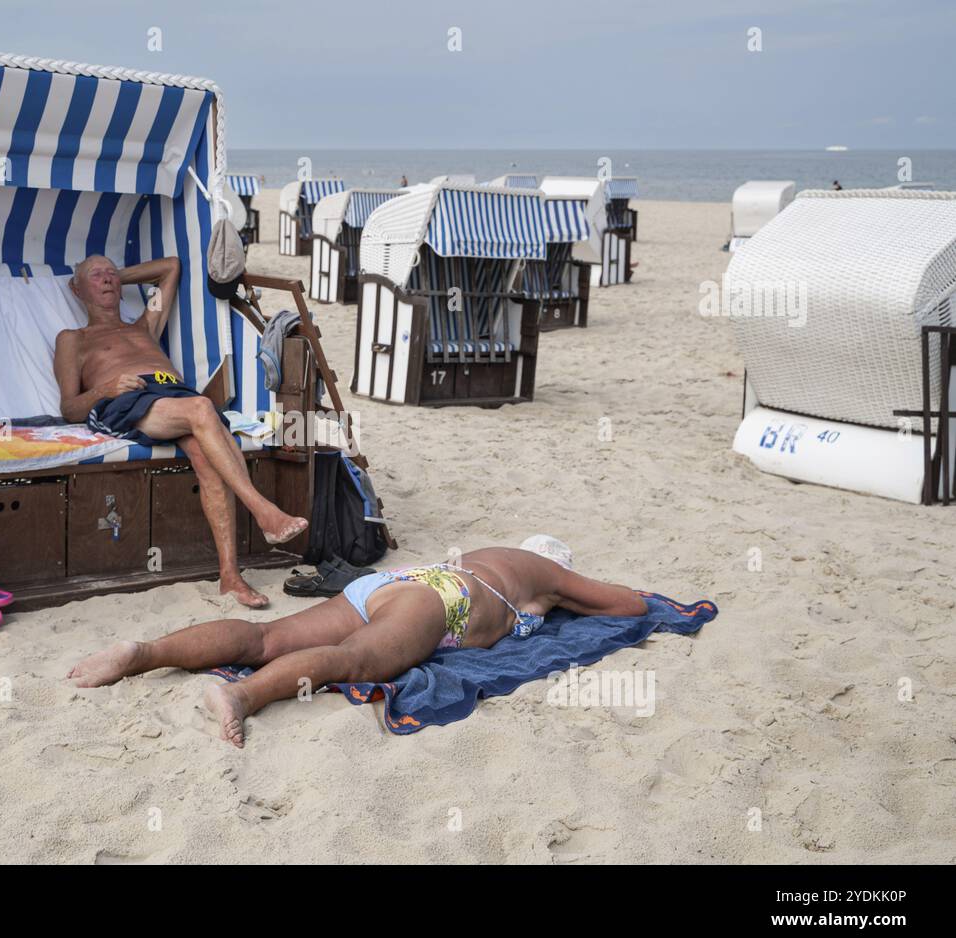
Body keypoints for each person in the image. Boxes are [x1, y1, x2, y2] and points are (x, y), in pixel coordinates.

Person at [68, 546, 647, 747]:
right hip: (440, 601)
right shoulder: (544, 572)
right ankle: (241, 697)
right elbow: (629, 605)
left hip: (390, 583)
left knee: (267, 636)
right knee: (353, 661)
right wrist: (556, 597)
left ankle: (140, 653)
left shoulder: (496, 557)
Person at [54, 256, 308, 607]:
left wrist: (118, 276)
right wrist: (105, 389)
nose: (108, 280)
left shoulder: (146, 324)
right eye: (96, 276)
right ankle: (263, 511)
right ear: (75, 287)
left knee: (205, 455)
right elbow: (69, 409)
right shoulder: (74, 339)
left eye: (111, 273)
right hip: (126, 401)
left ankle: (230, 578)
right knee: (203, 408)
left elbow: (170, 267)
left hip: (175, 398)